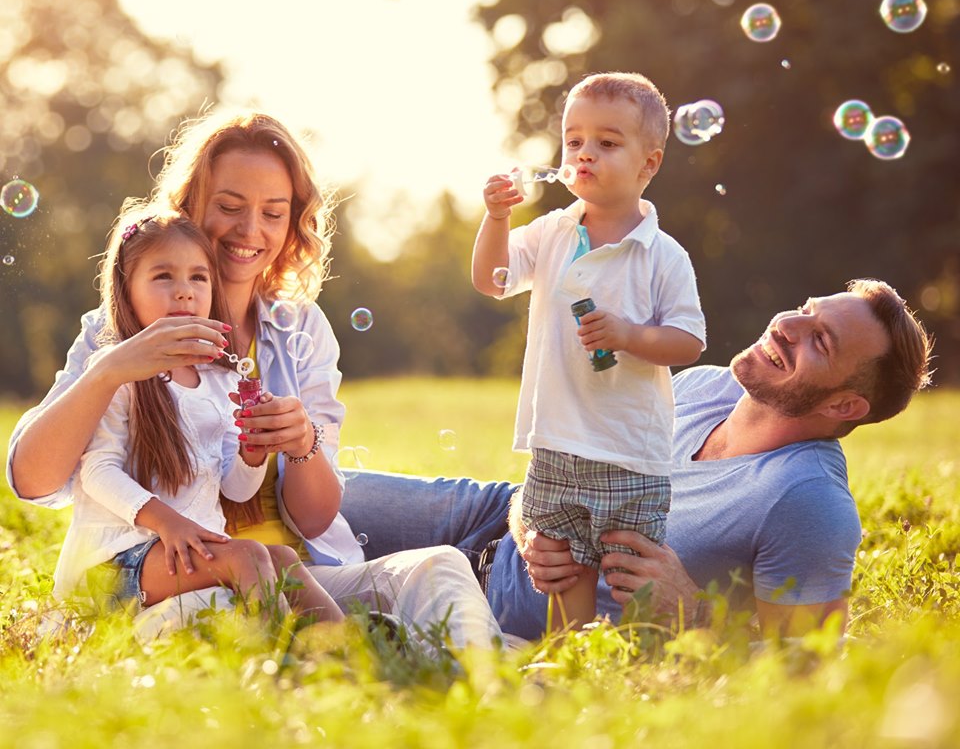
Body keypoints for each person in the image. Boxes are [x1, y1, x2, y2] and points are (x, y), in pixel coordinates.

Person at [7, 109, 500, 649]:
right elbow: (33, 481)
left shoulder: (300, 328)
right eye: (229, 206)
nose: (250, 231)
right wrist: (109, 369)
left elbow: (311, 519)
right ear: (190, 206)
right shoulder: (123, 329)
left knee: (440, 568)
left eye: (274, 212)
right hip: (171, 580)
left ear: (293, 222)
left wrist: (298, 443)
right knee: (237, 625)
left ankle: (484, 689)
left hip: (298, 574)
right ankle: (352, 662)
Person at [338, 279, 933, 639]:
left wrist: (695, 613)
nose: (787, 325)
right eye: (806, 309)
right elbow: (572, 459)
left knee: (296, 587)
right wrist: (528, 515)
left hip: (514, 606)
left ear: (846, 404)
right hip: (494, 515)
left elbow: (806, 670)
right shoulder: (704, 386)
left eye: (820, 340)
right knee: (302, 491)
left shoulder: (808, 502)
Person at [472, 72, 706, 629]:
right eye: (574, 141)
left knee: (632, 571)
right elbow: (491, 278)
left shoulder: (661, 255)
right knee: (562, 566)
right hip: (556, 438)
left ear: (649, 164)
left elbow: (689, 341)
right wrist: (497, 218)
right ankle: (572, 657)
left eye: (607, 142)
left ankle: (647, 659)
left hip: (629, 449)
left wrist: (628, 336)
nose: (584, 154)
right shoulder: (552, 232)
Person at [57, 211, 342, 622]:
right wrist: (169, 523)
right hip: (114, 562)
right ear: (126, 289)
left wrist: (252, 454)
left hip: (184, 551)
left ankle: (348, 649)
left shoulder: (215, 380)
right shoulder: (116, 370)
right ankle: (284, 658)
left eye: (198, 278)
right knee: (246, 555)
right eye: (163, 277)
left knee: (281, 559)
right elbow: (96, 472)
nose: (185, 292)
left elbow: (236, 490)